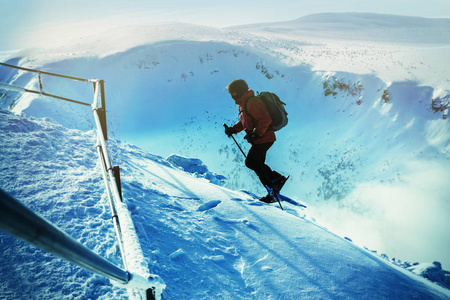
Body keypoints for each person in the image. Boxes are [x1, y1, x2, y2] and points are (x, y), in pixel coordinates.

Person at [224, 79, 287, 203]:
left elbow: (266, 120)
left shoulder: (252, 102)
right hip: (259, 139)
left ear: (239, 92)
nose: (232, 96)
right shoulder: (243, 104)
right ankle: (272, 191)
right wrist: (233, 129)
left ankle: (277, 180)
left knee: (251, 162)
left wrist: (256, 134)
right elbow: (245, 123)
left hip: (265, 138)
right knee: (258, 166)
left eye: (233, 93)